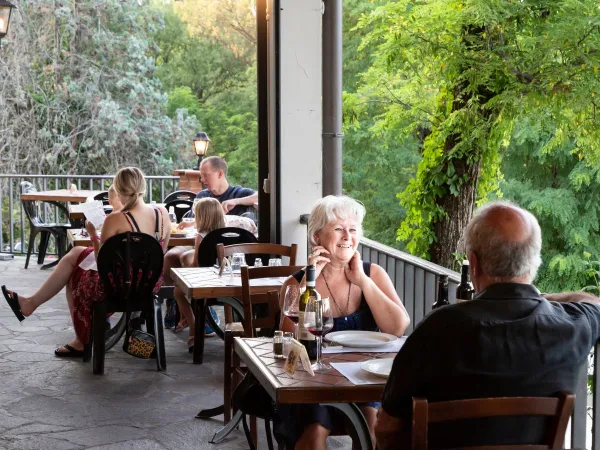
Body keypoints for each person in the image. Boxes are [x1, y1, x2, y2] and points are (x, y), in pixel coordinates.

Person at [375, 200, 600, 449]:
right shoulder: (572, 325)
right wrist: (538, 298)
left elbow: (387, 428)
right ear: (534, 261)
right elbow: (593, 302)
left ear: (474, 263)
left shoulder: (438, 329)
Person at [274, 195, 410, 450]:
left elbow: (398, 326)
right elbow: (286, 341)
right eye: (338, 229)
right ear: (317, 237)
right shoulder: (296, 283)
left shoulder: (373, 274)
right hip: (312, 384)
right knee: (314, 434)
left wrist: (362, 281)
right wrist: (309, 283)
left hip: (365, 380)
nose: (347, 236)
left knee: (372, 431)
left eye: (353, 230)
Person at [1, 167, 171, 357]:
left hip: (119, 287)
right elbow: (160, 253)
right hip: (148, 286)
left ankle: (82, 341)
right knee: (77, 253)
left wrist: (92, 235)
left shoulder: (115, 219)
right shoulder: (162, 213)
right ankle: (31, 304)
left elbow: (102, 263)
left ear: (119, 189)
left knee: (73, 276)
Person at [163, 155, 258, 335]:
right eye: (201, 176)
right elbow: (196, 222)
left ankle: (200, 309)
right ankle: (175, 306)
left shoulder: (238, 193)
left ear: (220, 173)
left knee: (187, 258)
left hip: (226, 253)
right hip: (197, 241)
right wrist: (190, 224)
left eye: (206, 175)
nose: (202, 180)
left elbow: (262, 195)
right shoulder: (201, 196)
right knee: (169, 257)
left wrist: (235, 202)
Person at [171, 197, 230, 350]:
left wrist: (184, 271)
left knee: (178, 291)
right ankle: (193, 322)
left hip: (207, 282)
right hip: (226, 280)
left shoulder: (201, 236)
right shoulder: (227, 234)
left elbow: (196, 264)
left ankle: (193, 325)